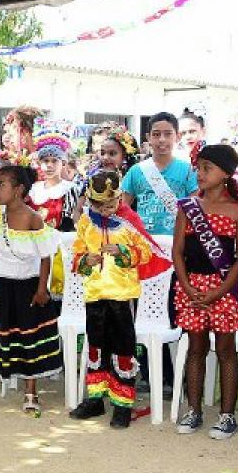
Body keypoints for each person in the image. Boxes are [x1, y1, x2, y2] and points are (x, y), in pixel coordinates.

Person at [173, 144, 238, 440]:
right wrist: (187, 286)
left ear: (226, 173)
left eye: (208, 168)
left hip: (224, 290)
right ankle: (193, 410)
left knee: (226, 350)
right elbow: (177, 251)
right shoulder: (188, 207)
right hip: (192, 288)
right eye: (199, 167)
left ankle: (227, 415)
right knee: (196, 349)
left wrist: (220, 290)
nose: (200, 173)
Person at [0, 164, 62, 415]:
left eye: (1, 185)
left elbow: (45, 256)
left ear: (19, 189)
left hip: (28, 287)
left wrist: (42, 289)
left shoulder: (33, 218)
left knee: (28, 338)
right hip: (1, 284)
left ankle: (31, 392)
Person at [68, 170, 155, 428]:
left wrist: (123, 251)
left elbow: (146, 252)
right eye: (99, 205)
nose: (105, 210)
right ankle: (96, 399)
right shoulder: (86, 222)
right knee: (96, 347)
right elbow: (76, 254)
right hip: (94, 293)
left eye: (110, 204)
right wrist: (86, 259)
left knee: (123, 348)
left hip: (122, 295)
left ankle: (122, 404)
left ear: (119, 198)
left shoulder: (130, 221)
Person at [121, 112, 198, 253]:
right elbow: (123, 208)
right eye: (156, 134)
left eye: (168, 134)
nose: (162, 139)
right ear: (148, 137)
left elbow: (196, 211)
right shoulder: (136, 171)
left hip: (177, 244)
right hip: (143, 244)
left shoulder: (188, 171)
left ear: (177, 136)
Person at [28, 117, 82, 298]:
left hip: (58, 249)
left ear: (63, 163)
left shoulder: (70, 189)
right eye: (45, 161)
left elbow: (70, 222)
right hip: (34, 247)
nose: (49, 165)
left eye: (54, 161)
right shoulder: (33, 189)